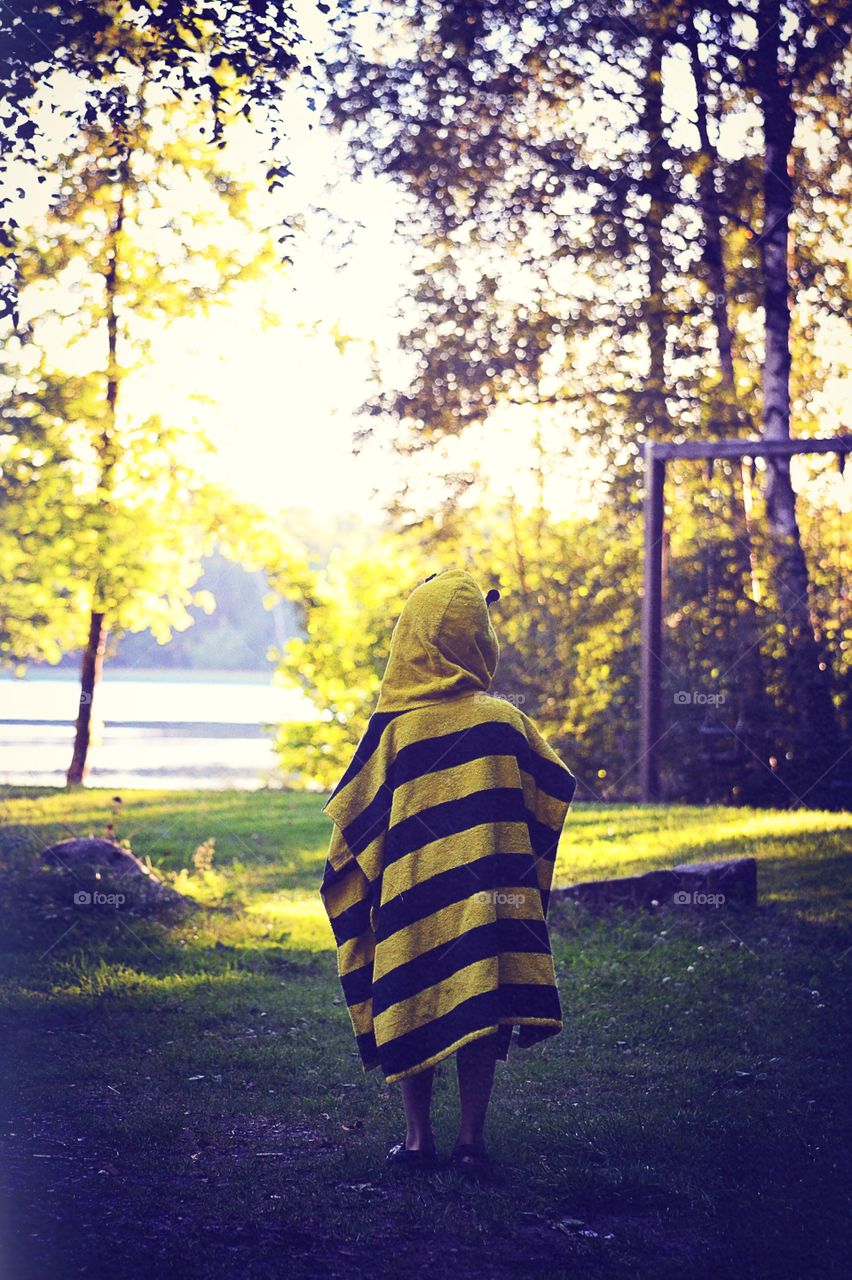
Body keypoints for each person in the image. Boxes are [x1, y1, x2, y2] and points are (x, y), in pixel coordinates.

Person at [319, 568, 577, 1172]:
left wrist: (353, 870)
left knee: (408, 996)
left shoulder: (395, 730)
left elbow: (357, 817)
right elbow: (552, 789)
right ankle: (471, 1139)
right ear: (475, 642)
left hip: (408, 897)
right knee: (478, 1002)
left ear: (411, 640)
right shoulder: (502, 721)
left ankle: (416, 1141)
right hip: (486, 897)